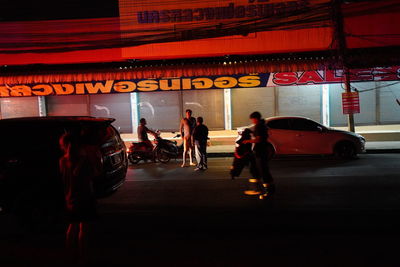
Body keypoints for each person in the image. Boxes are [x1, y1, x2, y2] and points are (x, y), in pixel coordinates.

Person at [59, 130, 103, 264]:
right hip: (84, 197)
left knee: (72, 226)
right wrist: (94, 157)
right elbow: (96, 173)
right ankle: (83, 256)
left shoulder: (62, 161)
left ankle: (69, 254)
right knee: (84, 229)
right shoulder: (83, 161)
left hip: (70, 198)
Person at [242, 111, 274, 196]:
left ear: (255, 119)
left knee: (262, 171)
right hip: (262, 150)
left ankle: (267, 191)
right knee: (260, 170)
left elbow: (259, 139)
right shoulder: (262, 125)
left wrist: (248, 141)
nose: (252, 121)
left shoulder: (259, 126)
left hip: (260, 151)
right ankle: (261, 189)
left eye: (252, 119)